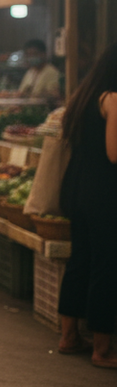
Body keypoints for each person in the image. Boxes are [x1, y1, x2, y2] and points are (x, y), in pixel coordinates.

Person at [56, 41, 117, 368]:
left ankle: (69, 336)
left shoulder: (84, 95)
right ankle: (103, 348)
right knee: (106, 265)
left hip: (77, 188)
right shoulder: (114, 99)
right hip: (104, 192)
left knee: (79, 259)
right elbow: (114, 153)